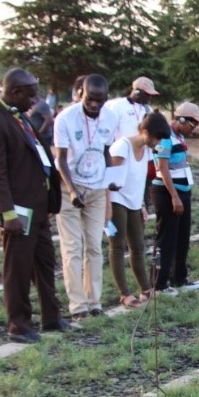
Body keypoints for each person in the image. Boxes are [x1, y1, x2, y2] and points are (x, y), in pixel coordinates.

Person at [0, 68, 70, 343]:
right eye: (30, 95)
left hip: (38, 206)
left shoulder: (19, 117)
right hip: (18, 211)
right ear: (15, 92)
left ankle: (51, 317)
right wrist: (8, 214)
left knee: (44, 263)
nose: (35, 100)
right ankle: (18, 325)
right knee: (17, 269)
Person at [53, 73, 118, 319]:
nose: (94, 105)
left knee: (95, 247)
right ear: (81, 93)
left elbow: (105, 151)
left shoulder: (109, 117)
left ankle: (94, 302)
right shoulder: (65, 118)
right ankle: (78, 306)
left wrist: (112, 178)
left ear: (106, 99)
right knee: (72, 248)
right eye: (90, 99)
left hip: (96, 189)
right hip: (69, 187)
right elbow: (60, 158)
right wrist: (71, 189)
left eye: (99, 101)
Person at [107, 111, 170, 307]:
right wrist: (107, 207)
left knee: (138, 247)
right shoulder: (122, 147)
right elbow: (109, 179)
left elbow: (140, 180)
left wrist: (142, 205)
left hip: (134, 202)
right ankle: (124, 293)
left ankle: (145, 288)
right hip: (117, 200)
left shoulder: (147, 151)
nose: (156, 142)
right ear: (144, 131)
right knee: (117, 247)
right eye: (155, 137)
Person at [152, 102, 199, 293]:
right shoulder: (166, 138)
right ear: (181, 119)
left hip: (183, 190)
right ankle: (159, 283)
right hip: (168, 193)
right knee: (167, 238)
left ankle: (179, 278)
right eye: (192, 123)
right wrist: (174, 196)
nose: (194, 128)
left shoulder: (179, 137)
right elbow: (162, 167)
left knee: (182, 237)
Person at [105, 76, 159, 141]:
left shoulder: (148, 109)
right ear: (137, 91)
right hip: (123, 149)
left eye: (151, 95)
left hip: (141, 149)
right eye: (147, 94)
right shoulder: (118, 105)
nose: (150, 97)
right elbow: (109, 130)